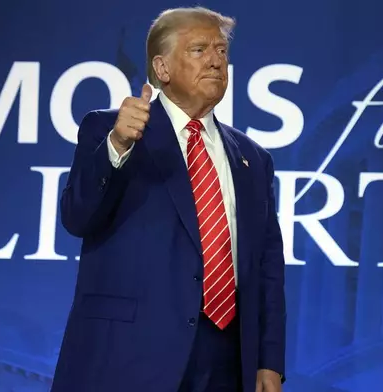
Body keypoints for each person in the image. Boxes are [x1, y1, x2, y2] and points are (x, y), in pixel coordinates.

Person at [51, 6, 286, 392]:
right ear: (162, 69)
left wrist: (269, 361)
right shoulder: (111, 129)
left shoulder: (253, 159)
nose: (215, 60)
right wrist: (117, 145)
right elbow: (77, 217)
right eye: (198, 50)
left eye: (221, 51)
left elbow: (267, 268)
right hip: (127, 358)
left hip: (224, 366)